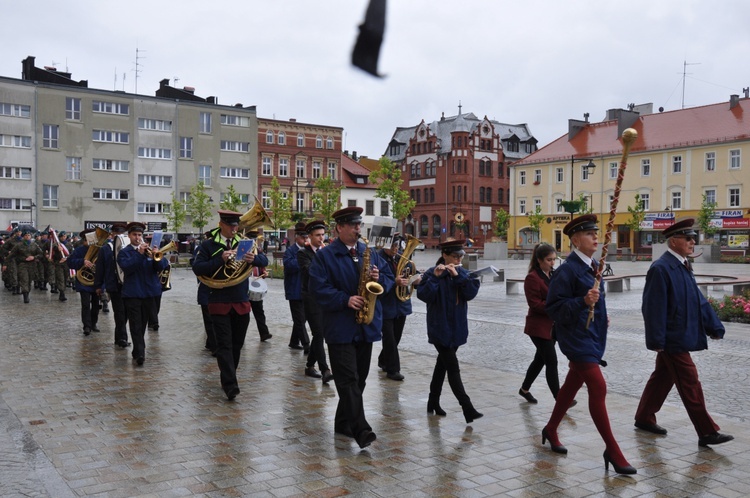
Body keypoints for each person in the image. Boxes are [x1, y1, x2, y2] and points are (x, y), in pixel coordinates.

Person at [542, 214, 636, 475]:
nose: (596, 237)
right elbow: (554, 308)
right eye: (589, 234)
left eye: (596, 233)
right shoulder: (567, 271)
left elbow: (597, 301)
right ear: (575, 240)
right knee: (598, 386)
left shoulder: (594, 265)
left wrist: (601, 315)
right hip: (575, 337)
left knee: (572, 384)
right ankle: (612, 450)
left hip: (592, 335)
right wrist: (583, 301)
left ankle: (551, 429)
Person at [634, 218, 733, 447]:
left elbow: (698, 301)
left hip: (681, 335)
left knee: (662, 377)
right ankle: (707, 431)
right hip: (671, 339)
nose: (692, 241)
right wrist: (657, 340)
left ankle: (644, 417)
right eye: (687, 238)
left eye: (693, 238)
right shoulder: (661, 268)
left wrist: (714, 326)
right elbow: (653, 306)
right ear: (674, 241)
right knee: (690, 381)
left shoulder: (684, 265)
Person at [309, 207, 393, 448]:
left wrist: (379, 279)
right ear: (339, 228)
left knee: (361, 380)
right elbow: (318, 288)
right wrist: (344, 299)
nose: (358, 229)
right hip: (340, 327)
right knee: (347, 380)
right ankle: (361, 429)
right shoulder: (324, 256)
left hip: (365, 327)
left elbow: (388, 279)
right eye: (353, 225)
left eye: (359, 224)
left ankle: (342, 423)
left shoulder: (370, 252)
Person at [192, 210, 265, 400]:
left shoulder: (245, 243)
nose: (235, 229)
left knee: (237, 344)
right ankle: (230, 384)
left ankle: (229, 374)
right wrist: (220, 259)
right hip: (219, 300)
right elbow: (197, 268)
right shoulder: (209, 245)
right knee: (224, 345)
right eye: (231, 225)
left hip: (241, 300)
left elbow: (263, 260)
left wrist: (254, 259)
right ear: (221, 224)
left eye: (236, 225)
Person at [417, 239, 482, 423]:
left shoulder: (463, 274)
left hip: (457, 329)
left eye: (461, 256)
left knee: (442, 366)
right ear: (445, 255)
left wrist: (457, 276)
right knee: (453, 368)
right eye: (455, 256)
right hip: (440, 328)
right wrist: (436, 278)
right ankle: (467, 408)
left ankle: (433, 402)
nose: (459, 259)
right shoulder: (432, 273)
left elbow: (470, 293)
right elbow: (424, 295)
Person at [519, 243, 567, 404]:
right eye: (549, 260)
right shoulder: (532, 277)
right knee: (551, 361)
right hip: (538, 327)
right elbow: (534, 304)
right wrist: (554, 307)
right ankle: (559, 398)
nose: (552, 263)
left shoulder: (554, 275)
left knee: (540, 360)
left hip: (552, 327)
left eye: (554, 259)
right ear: (539, 260)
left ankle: (524, 389)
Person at [117, 222, 170, 365]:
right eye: (134, 235)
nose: (137, 237)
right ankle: (140, 353)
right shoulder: (124, 252)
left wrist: (156, 255)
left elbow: (162, 267)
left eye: (139, 235)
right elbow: (127, 268)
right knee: (135, 324)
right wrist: (139, 254)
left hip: (148, 293)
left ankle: (137, 349)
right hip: (133, 293)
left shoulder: (149, 251)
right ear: (129, 236)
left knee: (143, 323)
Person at [377, 234, 419, 381]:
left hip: (401, 304)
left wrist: (416, 278)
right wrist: (395, 281)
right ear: (385, 245)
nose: (396, 249)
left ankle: (383, 359)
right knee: (389, 338)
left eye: (397, 246)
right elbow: (377, 280)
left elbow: (412, 271)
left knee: (396, 337)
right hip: (385, 305)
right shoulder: (378, 258)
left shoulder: (402, 257)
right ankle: (393, 370)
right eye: (393, 246)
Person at [297, 219, 333, 383]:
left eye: (323, 235)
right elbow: (310, 271)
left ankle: (310, 366)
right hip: (310, 297)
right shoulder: (303, 253)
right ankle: (325, 369)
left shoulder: (326, 251)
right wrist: (323, 258)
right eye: (317, 235)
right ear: (309, 237)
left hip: (325, 297)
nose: (321, 238)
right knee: (319, 332)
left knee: (320, 333)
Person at [94, 222, 130, 348]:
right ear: (112, 234)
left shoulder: (128, 247)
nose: (120, 236)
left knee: (126, 312)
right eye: (117, 234)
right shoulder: (106, 249)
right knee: (119, 312)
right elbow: (100, 268)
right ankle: (122, 338)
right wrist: (98, 285)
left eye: (122, 234)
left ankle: (119, 336)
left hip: (127, 284)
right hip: (114, 285)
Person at [68, 229, 101, 334]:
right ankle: (87, 326)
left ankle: (93, 323)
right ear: (84, 240)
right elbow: (70, 262)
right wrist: (82, 261)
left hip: (96, 281)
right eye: (89, 239)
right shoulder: (79, 250)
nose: (91, 242)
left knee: (96, 304)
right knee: (86, 304)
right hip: (84, 282)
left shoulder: (101, 250)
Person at [284, 222, 310, 352]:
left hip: (306, 290)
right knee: (299, 319)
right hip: (294, 290)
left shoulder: (309, 251)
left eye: (307, 237)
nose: (306, 240)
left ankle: (294, 341)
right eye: (303, 237)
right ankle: (306, 344)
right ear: (296, 237)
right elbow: (289, 266)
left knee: (302, 318)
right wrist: (302, 259)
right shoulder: (290, 251)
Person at [246, 228, 272, 342]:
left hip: (255, 283)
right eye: (252, 238)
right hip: (245, 284)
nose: (254, 240)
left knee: (259, 312)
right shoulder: (244, 250)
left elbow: (262, 264)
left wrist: (263, 273)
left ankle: (264, 333)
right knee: (244, 313)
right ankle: (241, 334)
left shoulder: (258, 250)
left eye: (254, 238)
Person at [6, 227, 43, 303]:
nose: (27, 236)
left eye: (29, 235)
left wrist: (34, 257)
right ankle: (25, 296)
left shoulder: (34, 245)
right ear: (23, 236)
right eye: (25, 235)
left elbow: (40, 254)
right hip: (22, 265)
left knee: (29, 281)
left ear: (31, 236)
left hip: (32, 265)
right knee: (24, 280)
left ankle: (27, 292)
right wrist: (5, 264)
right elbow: (11, 255)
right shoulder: (18, 245)